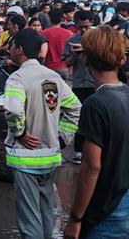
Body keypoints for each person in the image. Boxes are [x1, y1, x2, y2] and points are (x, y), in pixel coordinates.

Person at [4, 29, 81, 239]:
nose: (9, 49)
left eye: (12, 45)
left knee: (29, 218)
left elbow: (12, 110)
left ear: (19, 49)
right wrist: (63, 137)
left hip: (26, 158)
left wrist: (19, 132)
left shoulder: (17, 78)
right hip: (50, 156)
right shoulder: (53, 76)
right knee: (46, 211)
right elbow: (75, 107)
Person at [64, 26, 129, 238]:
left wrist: (75, 218)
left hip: (106, 210)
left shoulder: (96, 104)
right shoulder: (125, 94)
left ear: (85, 59)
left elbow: (92, 166)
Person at [62, 10, 95, 166]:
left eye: (86, 27)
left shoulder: (98, 39)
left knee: (95, 119)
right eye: (80, 27)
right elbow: (67, 63)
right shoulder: (71, 40)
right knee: (80, 118)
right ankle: (78, 150)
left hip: (96, 84)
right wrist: (76, 53)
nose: (83, 31)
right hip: (80, 85)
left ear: (92, 24)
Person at [42, 9, 73, 83]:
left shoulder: (43, 34)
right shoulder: (68, 34)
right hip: (64, 68)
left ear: (49, 18)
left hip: (48, 68)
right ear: (62, 19)